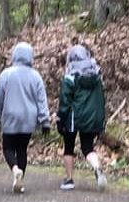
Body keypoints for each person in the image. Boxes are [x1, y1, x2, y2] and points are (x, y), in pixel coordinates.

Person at [0, 42, 51, 193]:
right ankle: (20, 180)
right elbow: (41, 100)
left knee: (8, 148)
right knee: (22, 149)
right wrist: (45, 121)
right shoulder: (35, 76)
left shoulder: (6, 74)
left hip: (10, 117)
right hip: (28, 119)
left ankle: (15, 169)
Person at [55, 44, 107, 191]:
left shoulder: (70, 78)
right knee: (87, 147)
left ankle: (69, 179)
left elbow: (65, 101)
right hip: (92, 118)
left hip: (73, 118)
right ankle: (97, 168)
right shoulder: (96, 76)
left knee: (69, 147)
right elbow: (101, 99)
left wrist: (60, 118)